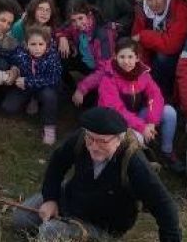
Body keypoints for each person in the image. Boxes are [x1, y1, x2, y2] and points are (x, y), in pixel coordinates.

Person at [11, 107, 182, 242]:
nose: (93, 146)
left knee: (50, 232)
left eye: (102, 141)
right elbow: (57, 163)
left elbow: (165, 207)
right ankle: (61, 223)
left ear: (119, 139)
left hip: (101, 225)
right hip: (69, 201)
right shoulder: (82, 138)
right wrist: (50, 199)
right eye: (90, 139)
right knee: (20, 219)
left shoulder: (133, 161)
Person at [73, 38, 180, 171]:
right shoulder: (109, 77)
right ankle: (139, 162)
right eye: (122, 57)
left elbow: (155, 95)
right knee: (138, 138)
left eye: (130, 57)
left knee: (169, 112)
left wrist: (152, 121)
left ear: (137, 58)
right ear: (115, 57)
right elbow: (117, 110)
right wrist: (142, 127)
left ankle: (166, 152)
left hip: (136, 116)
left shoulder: (143, 73)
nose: (126, 61)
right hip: (116, 122)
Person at [131, 0, 187, 100]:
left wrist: (143, 36)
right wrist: (144, 69)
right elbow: (136, 41)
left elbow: (172, 45)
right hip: (157, 48)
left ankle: (165, 96)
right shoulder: (142, 9)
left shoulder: (180, 9)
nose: (153, 3)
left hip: (183, 52)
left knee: (163, 58)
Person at [3, 25, 63, 145]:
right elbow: (11, 59)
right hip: (25, 86)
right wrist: (14, 69)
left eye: (41, 44)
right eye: (33, 44)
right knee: (8, 107)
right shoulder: (20, 52)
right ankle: (32, 99)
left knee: (49, 96)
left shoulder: (52, 55)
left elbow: (54, 78)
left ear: (46, 45)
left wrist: (28, 81)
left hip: (44, 87)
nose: (37, 48)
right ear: (26, 44)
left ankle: (49, 127)